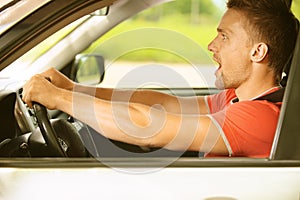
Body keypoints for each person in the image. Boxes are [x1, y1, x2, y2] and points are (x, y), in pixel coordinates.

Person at [22, 0, 298, 158]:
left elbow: (148, 125)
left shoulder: (260, 117)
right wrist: (73, 89)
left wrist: (60, 99)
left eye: (225, 36)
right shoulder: (236, 98)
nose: (212, 45)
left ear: (258, 52)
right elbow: (161, 104)